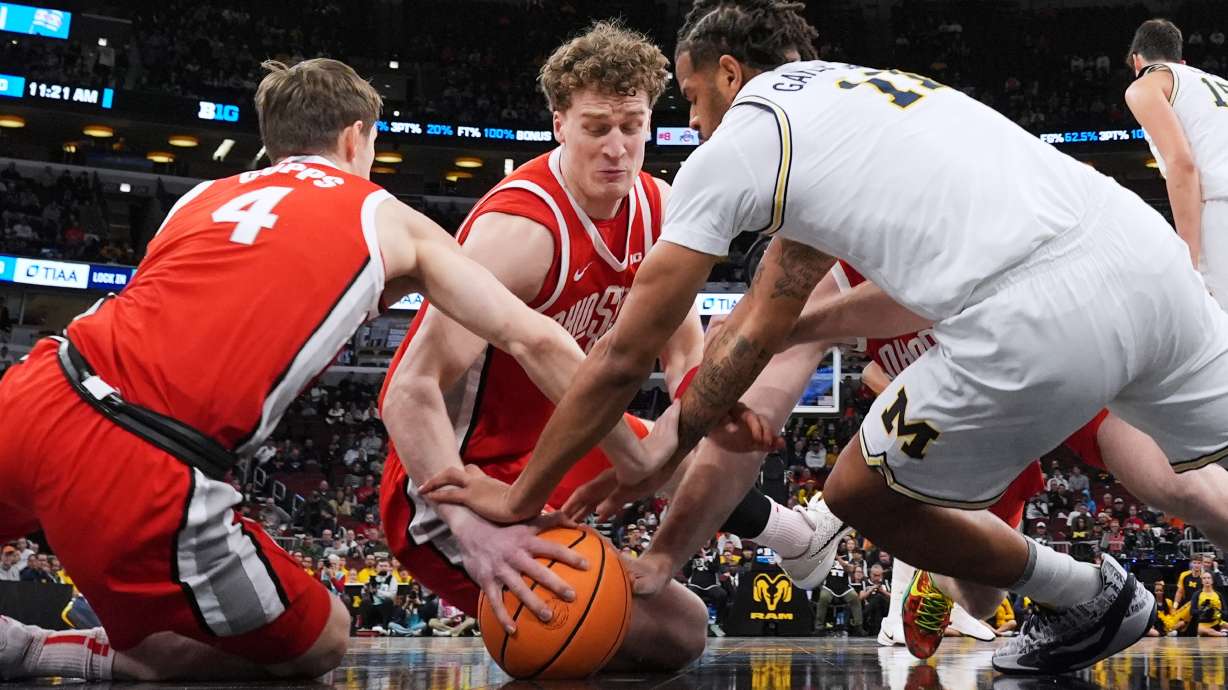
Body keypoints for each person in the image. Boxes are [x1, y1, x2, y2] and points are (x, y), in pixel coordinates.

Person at [420, 0, 1228, 674]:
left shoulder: (741, 139)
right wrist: (665, 459)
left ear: (728, 73)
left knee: (856, 496)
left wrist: (522, 496)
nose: (693, 121)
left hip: (1035, 314)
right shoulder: (856, 98)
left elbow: (624, 356)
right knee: (1204, 474)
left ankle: (1087, 592)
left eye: (693, 100)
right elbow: (764, 326)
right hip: (1145, 257)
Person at [0, 57, 628, 683]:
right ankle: (49, 652)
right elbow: (535, 337)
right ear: (357, 136)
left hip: (38, 384)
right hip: (137, 456)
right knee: (324, 638)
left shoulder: (200, 197)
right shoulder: (386, 215)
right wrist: (632, 451)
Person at [377, 21, 709, 671]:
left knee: (707, 446)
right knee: (663, 633)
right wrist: (468, 531)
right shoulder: (520, 232)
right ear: (560, 123)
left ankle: (796, 537)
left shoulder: (661, 207)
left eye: (631, 125)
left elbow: (684, 352)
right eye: (596, 128)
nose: (617, 148)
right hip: (462, 472)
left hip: (562, 448)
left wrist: (684, 435)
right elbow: (408, 389)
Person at [1125, 19, 1228, 310]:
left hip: (1220, 207)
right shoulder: (1217, 83)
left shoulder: (1145, 85)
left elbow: (1182, 165)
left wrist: (1190, 265)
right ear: (1182, 61)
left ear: (1136, 61)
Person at [1195, 571, 1226, 637]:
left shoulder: (1218, 594)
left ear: (1212, 580)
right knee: (1199, 629)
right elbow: (1192, 611)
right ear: (1202, 581)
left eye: (1209, 578)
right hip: (1202, 624)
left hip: (1217, 621)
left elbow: (1226, 612)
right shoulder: (1197, 594)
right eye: (1204, 578)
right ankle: (1223, 634)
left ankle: (1222, 631)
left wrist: (1217, 611)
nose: (1207, 580)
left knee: (1224, 624)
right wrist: (1203, 610)